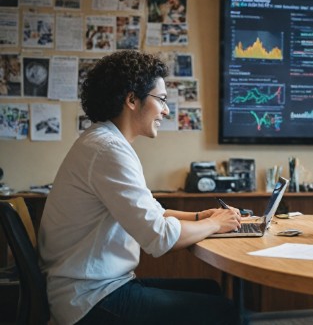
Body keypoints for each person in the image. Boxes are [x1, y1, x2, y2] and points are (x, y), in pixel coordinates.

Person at [38, 50, 241, 325]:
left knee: (210, 290)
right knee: (224, 312)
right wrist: (217, 224)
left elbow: (154, 213)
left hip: (94, 287)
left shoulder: (104, 141)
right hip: (90, 299)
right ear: (132, 99)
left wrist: (199, 217)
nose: (166, 110)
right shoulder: (108, 149)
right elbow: (159, 237)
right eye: (162, 100)